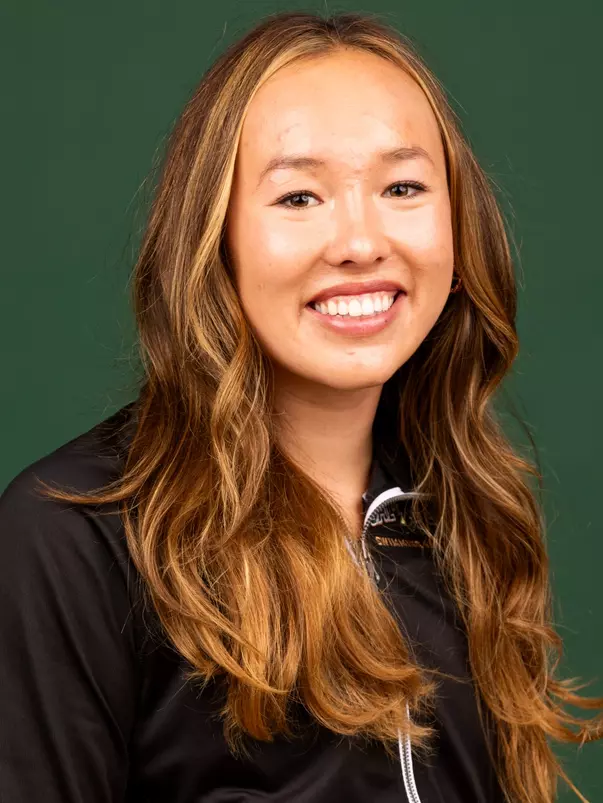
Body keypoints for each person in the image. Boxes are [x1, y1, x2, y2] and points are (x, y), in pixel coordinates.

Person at [0, 11, 601, 803]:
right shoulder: (75, 533)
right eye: (298, 196)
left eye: (401, 186)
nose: (358, 240)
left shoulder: (467, 506)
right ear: (215, 242)